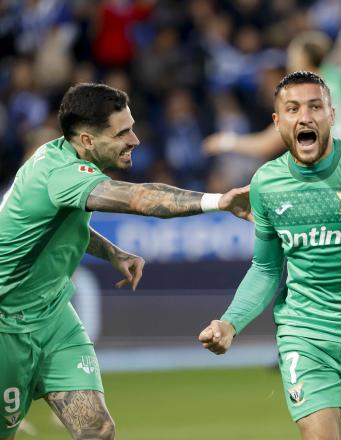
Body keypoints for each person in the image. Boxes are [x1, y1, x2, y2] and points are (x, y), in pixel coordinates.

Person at [0, 83, 252, 440]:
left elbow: (59, 225)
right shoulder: (60, 174)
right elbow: (138, 198)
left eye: (131, 127)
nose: (134, 139)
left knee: (96, 429)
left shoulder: (63, 160)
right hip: (7, 324)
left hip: (54, 316)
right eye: (122, 132)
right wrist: (218, 201)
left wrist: (112, 252)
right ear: (87, 140)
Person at [199, 71, 341, 440]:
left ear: (332, 115)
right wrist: (230, 323)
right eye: (292, 109)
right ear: (278, 122)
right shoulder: (267, 184)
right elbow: (265, 267)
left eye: (315, 107)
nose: (304, 117)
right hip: (304, 331)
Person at [201, 0, 341, 159]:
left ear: (306, 61)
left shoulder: (299, 97)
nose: (289, 65)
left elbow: (265, 144)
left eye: (293, 58)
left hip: (331, 175)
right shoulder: (335, 77)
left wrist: (225, 142)